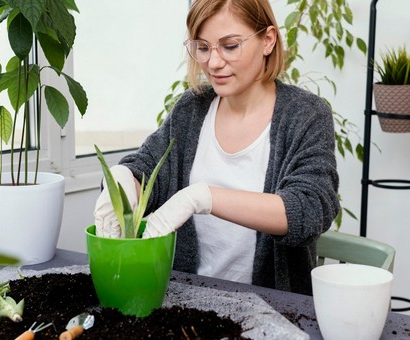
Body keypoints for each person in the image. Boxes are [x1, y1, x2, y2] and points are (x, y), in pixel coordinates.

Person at [93, 0, 340, 295]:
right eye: (203, 47)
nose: (213, 63)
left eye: (230, 46)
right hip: (189, 300)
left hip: (271, 309)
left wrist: (205, 197)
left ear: (268, 40)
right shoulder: (192, 108)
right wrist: (122, 180)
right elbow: (146, 168)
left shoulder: (305, 114)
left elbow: (310, 209)